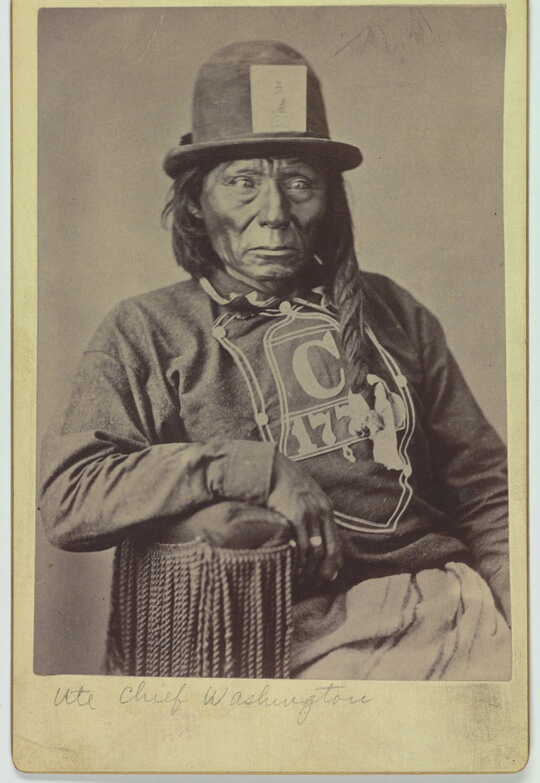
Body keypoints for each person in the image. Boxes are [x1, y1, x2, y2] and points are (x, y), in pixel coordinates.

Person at [39, 40, 511, 680]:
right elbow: (71, 498)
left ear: (330, 201)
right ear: (197, 204)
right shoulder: (150, 330)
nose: (275, 215)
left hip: (452, 608)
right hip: (284, 638)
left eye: (299, 182)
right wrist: (242, 464)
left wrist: (523, 612)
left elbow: (488, 489)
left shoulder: (393, 310)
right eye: (242, 183)